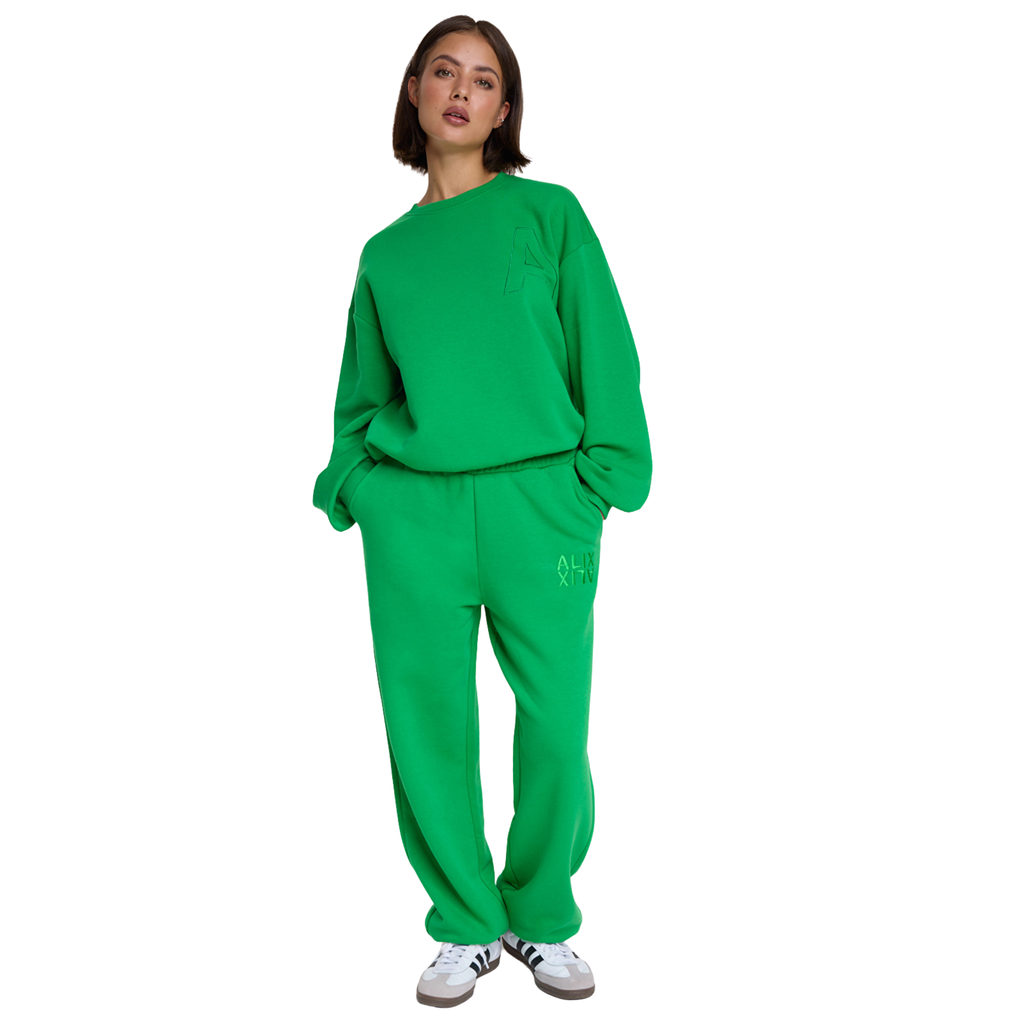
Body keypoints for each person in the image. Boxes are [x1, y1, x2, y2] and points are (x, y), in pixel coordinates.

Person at [312, 15, 652, 1008]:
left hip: (542, 504)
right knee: (426, 719)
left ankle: (539, 910)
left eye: (484, 78)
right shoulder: (386, 254)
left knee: (554, 717)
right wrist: (358, 485)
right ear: (414, 93)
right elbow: (361, 395)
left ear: (505, 110)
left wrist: (600, 479)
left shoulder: (549, 215)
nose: (461, 89)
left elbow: (603, 348)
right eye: (442, 71)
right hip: (414, 516)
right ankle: (464, 920)